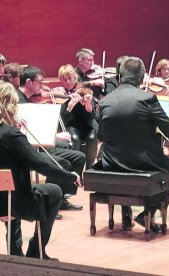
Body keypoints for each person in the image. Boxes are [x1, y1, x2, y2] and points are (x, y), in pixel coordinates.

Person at [97, 56, 169, 232]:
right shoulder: (147, 99)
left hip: (111, 162)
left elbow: (100, 135)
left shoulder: (104, 101)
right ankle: (149, 212)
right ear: (141, 77)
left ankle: (133, 213)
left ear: (120, 75)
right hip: (142, 161)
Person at [0, 80, 81, 260]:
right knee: (54, 191)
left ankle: (14, 251)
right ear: (9, 105)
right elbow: (41, 165)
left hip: (4, 196)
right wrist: (69, 176)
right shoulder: (11, 134)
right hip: (16, 200)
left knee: (8, 194)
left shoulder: (9, 133)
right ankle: (36, 251)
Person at [17, 66, 85, 213]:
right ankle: (50, 202)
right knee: (63, 163)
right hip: (28, 148)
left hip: (36, 143)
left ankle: (62, 197)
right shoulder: (18, 101)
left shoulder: (28, 99)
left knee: (79, 157)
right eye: (40, 82)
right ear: (29, 82)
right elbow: (26, 134)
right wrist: (54, 136)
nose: (43, 87)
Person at [57, 64, 98, 170]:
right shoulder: (60, 94)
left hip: (88, 123)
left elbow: (91, 117)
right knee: (74, 139)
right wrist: (70, 104)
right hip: (72, 124)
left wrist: (88, 103)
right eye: (64, 79)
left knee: (92, 138)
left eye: (69, 78)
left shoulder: (84, 91)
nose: (67, 82)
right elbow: (62, 120)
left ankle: (89, 169)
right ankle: (76, 170)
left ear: (75, 77)